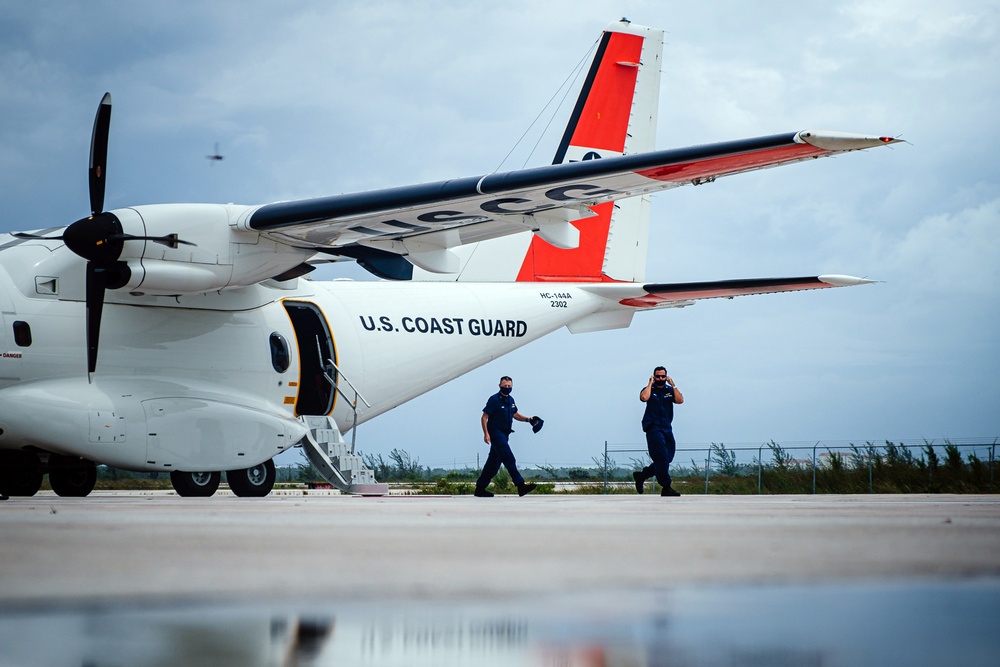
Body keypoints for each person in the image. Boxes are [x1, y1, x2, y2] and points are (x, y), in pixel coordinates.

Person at [475, 376, 539, 497]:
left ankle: (480, 488)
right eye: (505, 386)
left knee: (493, 464)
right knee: (508, 458)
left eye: (509, 386)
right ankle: (520, 485)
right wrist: (486, 434)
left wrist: (528, 419)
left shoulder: (511, 400)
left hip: (505, 434)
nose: (507, 388)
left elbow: (514, 414)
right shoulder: (494, 400)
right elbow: (484, 417)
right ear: (500, 386)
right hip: (496, 433)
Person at [633, 366, 685, 496]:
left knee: (667, 458)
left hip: (666, 427)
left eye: (663, 376)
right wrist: (650, 383)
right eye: (658, 376)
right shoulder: (649, 389)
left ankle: (642, 475)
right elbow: (644, 398)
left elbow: (680, 400)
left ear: (666, 377)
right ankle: (666, 486)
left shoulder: (669, 390)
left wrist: (674, 385)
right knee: (661, 456)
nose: (660, 379)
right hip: (653, 427)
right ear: (654, 376)